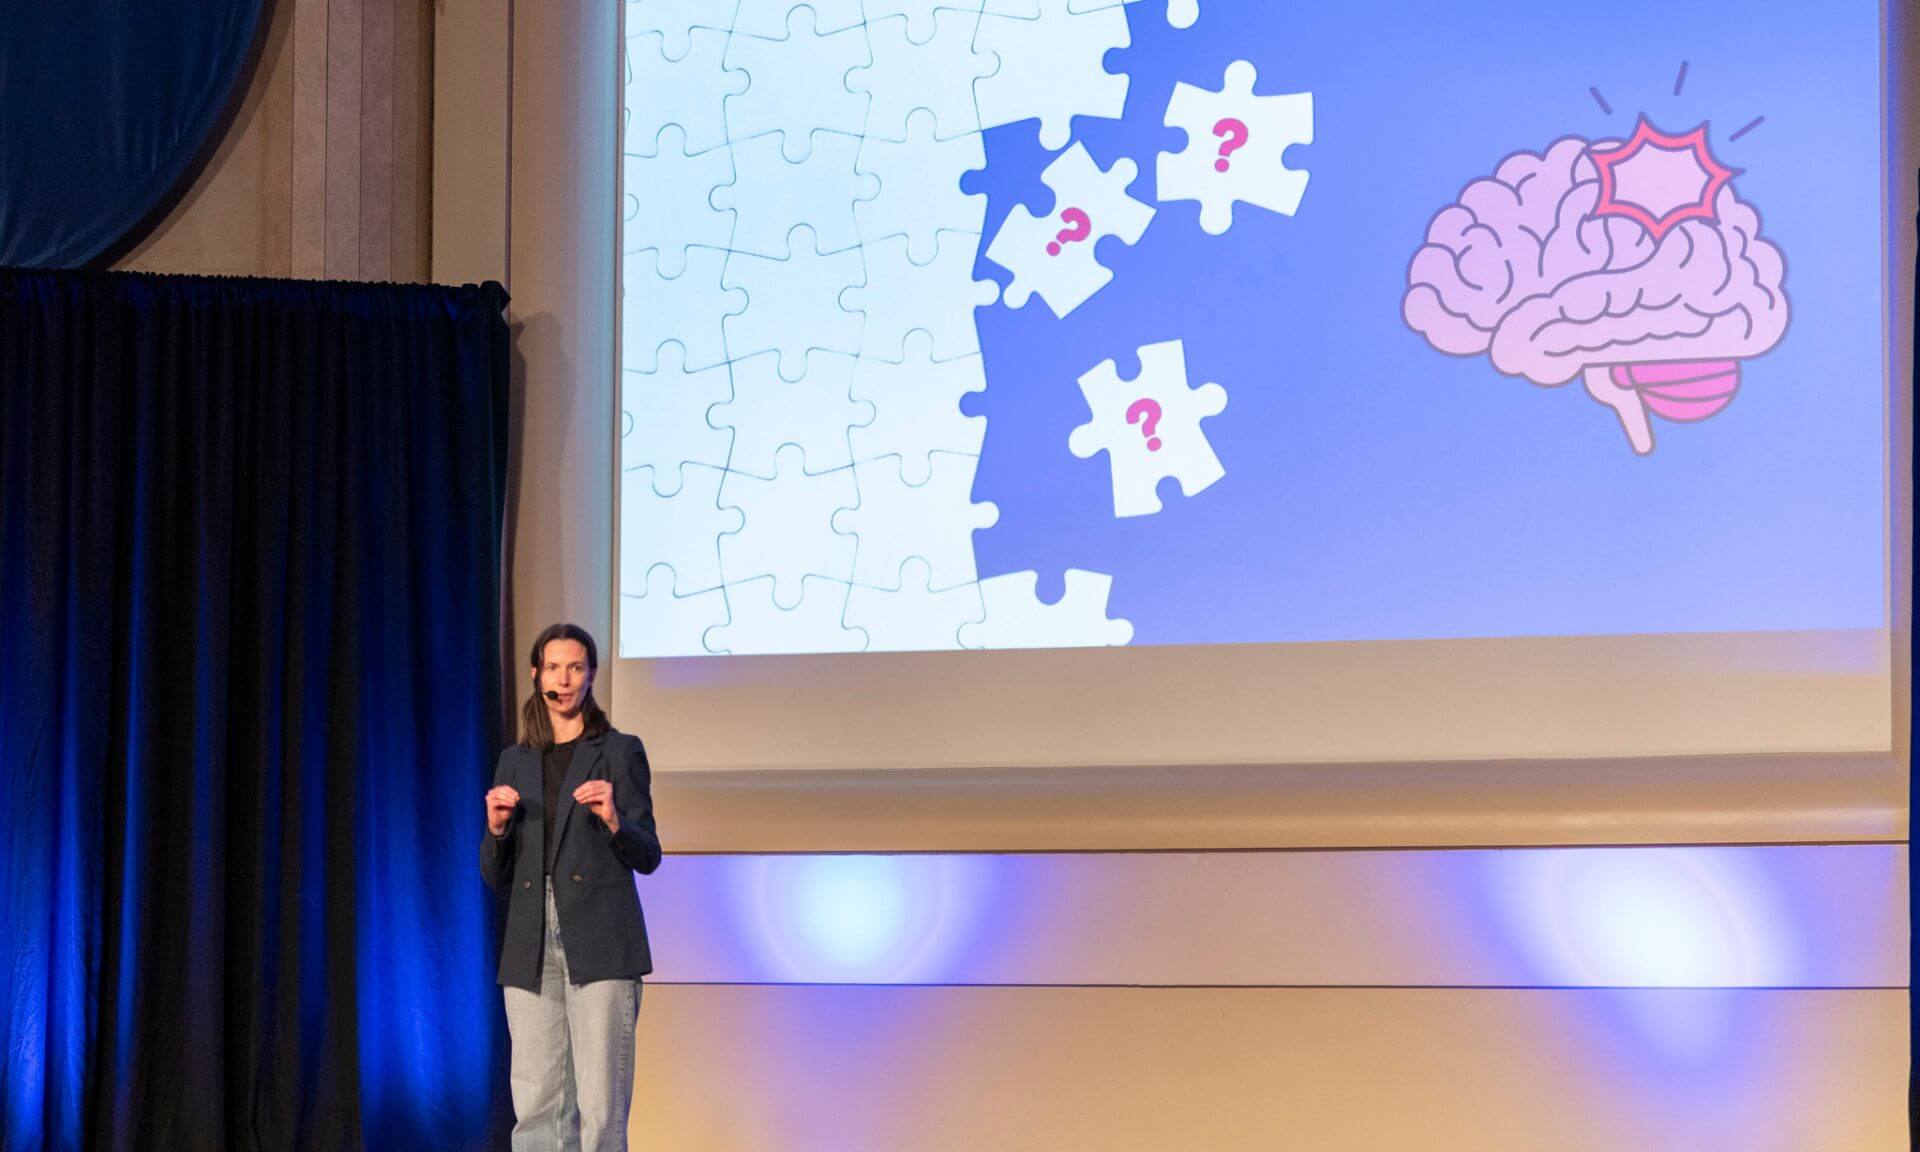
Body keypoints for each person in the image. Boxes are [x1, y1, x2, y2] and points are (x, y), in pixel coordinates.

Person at [481, 622, 663, 1152]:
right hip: (530, 945)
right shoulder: (515, 761)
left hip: (601, 944)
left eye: (576, 667)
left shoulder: (619, 751)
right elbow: (497, 875)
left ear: (591, 676)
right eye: (555, 667)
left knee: (601, 1112)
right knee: (536, 1109)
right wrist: (495, 831)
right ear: (537, 674)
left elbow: (648, 854)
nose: (565, 679)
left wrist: (613, 820)